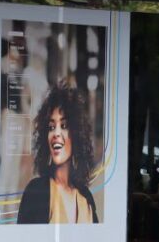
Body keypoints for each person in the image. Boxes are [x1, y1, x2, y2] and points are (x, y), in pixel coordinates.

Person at [17, 83, 100, 224]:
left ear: (76, 134)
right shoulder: (36, 192)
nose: (56, 133)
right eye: (51, 127)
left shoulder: (86, 199)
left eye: (64, 126)